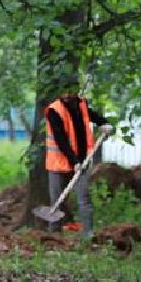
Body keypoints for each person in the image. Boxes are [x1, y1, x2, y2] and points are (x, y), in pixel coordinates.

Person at [43, 92, 109, 238]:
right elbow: (61, 140)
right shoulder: (54, 110)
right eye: (64, 92)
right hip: (58, 163)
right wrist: (74, 161)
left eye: (69, 92)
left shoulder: (81, 105)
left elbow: (93, 116)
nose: (66, 95)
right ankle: (53, 235)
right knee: (57, 200)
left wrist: (104, 123)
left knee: (84, 198)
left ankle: (88, 234)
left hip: (82, 161)